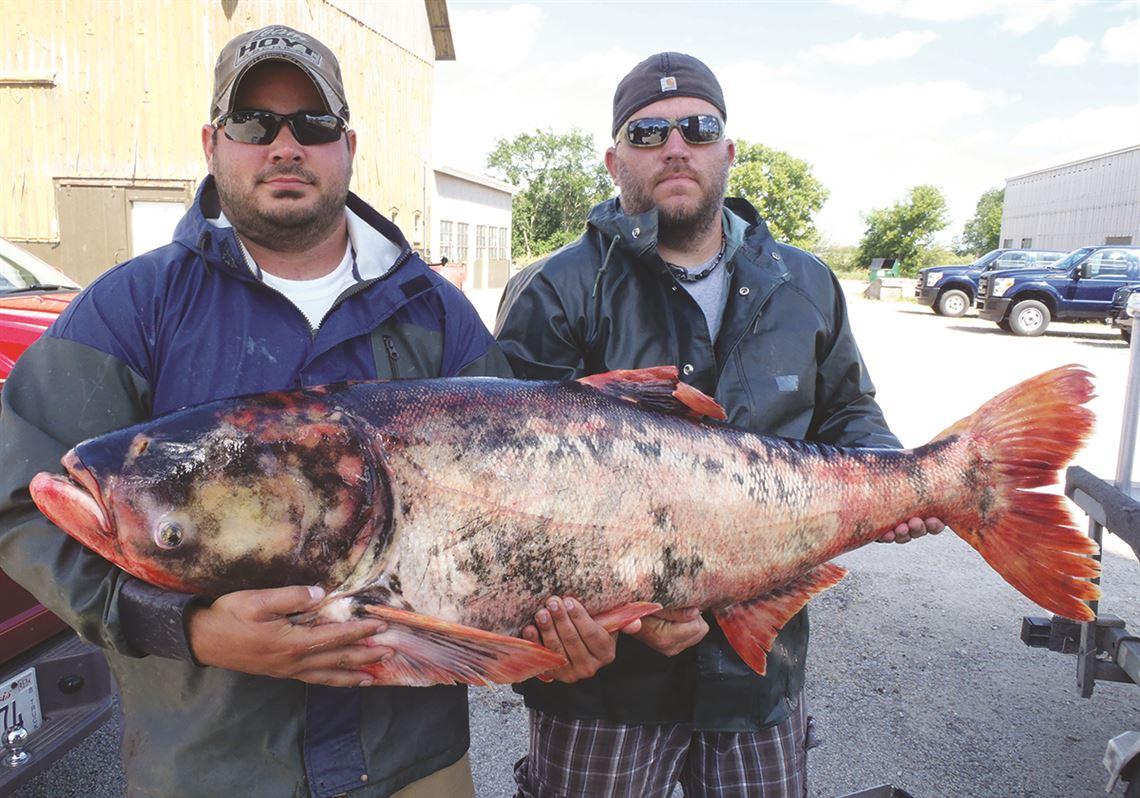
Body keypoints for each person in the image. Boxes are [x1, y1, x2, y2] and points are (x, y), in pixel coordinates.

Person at [0, 25, 512, 798]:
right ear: (213, 142)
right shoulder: (131, 311)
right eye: (253, 123)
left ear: (348, 147)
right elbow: (21, 502)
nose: (283, 144)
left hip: (414, 764)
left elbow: (524, 503)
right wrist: (183, 627)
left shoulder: (436, 317)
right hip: (213, 767)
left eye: (313, 124)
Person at [496, 52, 943, 798]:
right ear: (614, 160)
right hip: (604, 689)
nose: (675, 147)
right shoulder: (556, 289)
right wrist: (628, 619)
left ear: (727, 152)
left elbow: (849, 411)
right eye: (648, 134)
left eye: (697, 128)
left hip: (756, 670)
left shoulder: (805, 283)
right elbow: (507, 486)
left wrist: (889, 476)